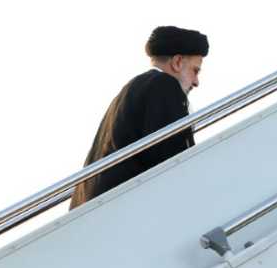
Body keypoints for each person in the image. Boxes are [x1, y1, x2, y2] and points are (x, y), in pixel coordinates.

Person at [70, 26, 209, 209]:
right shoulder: (165, 86)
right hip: (122, 209)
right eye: (195, 70)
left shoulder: (132, 88)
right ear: (177, 62)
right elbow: (172, 160)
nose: (196, 82)